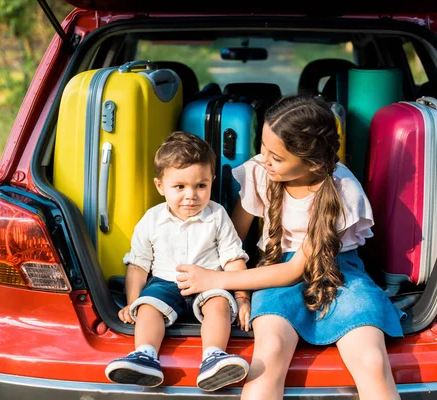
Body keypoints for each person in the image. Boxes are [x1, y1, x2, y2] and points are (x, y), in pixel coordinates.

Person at [175, 95, 406, 400]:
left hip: (338, 272)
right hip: (272, 267)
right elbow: (232, 237)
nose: (264, 159)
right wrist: (237, 293)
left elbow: (295, 270)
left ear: (312, 162)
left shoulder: (342, 189)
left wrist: (215, 279)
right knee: (267, 357)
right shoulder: (260, 171)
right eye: (263, 147)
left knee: (372, 361)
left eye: (276, 157)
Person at [105, 131, 252, 392]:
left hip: (209, 282)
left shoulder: (217, 216)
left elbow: (233, 260)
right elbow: (138, 266)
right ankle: (145, 356)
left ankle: (214, 357)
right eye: (179, 187)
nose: (191, 195)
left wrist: (241, 297)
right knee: (148, 308)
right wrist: (132, 303)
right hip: (164, 282)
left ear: (212, 181)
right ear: (160, 186)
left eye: (201, 186)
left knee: (219, 303)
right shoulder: (151, 219)